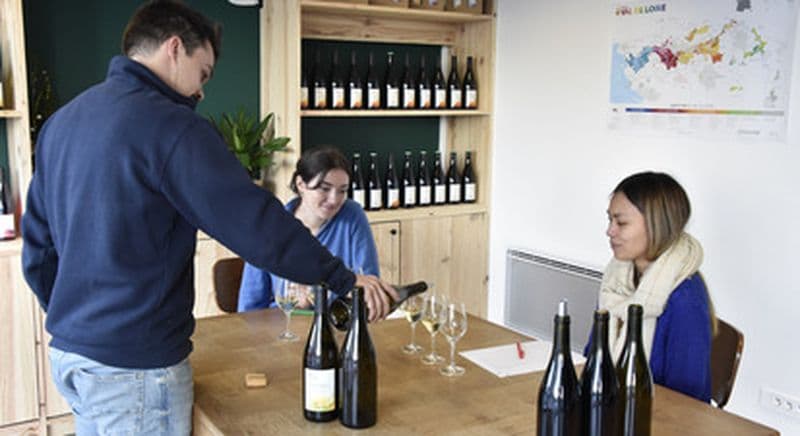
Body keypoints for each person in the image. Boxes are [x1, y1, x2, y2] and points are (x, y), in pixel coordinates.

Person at [20, 2, 397, 435]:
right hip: (134, 367)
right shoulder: (173, 126)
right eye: (203, 73)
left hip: (70, 354)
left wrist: (78, 321)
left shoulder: (62, 123)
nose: (201, 92)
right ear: (175, 48)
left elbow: (37, 249)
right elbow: (256, 226)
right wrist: (343, 278)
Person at [590, 171, 716, 402]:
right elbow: (593, 356)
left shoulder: (685, 299)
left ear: (657, 225)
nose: (610, 231)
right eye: (610, 220)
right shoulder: (616, 280)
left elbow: (687, 403)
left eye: (621, 222)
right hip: (613, 405)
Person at [238, 146, 383, 311]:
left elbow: (369, 287)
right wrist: (298, 308)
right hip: (281, 326)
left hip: (338, 325)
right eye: (324, 188)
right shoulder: (271, 226)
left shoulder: (352, 215)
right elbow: (250, 305)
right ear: (301, 184)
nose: (334, 200)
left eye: (342, 191)